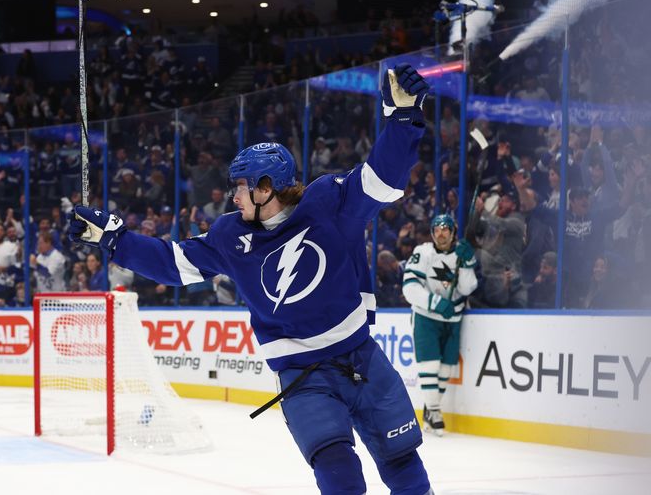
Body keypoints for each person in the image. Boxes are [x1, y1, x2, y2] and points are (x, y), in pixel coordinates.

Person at [68, 64, 434, 495]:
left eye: (240, 187)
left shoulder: (329, 203)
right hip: (303, 376)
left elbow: (383, 180)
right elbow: (174, 263)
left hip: (362, 358)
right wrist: (116, 239)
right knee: (339, 474)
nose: (233, 195)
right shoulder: (229, 234)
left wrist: (403, 120)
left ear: (266, 187)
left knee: (403, 464)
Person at [401, 214, 478, 436]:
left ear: (453, 232)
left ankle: (430, 409)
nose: (441, 233)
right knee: (430, 365)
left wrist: (467, 264)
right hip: (426, 318)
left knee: (446, 368)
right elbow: (410, 287)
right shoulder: (423, 252)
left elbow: (467, 288)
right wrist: (434, 302)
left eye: (446, 229)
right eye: (437, 229)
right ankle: (434, 410)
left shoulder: (460, 254)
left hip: (453, 319)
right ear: (432, 233)